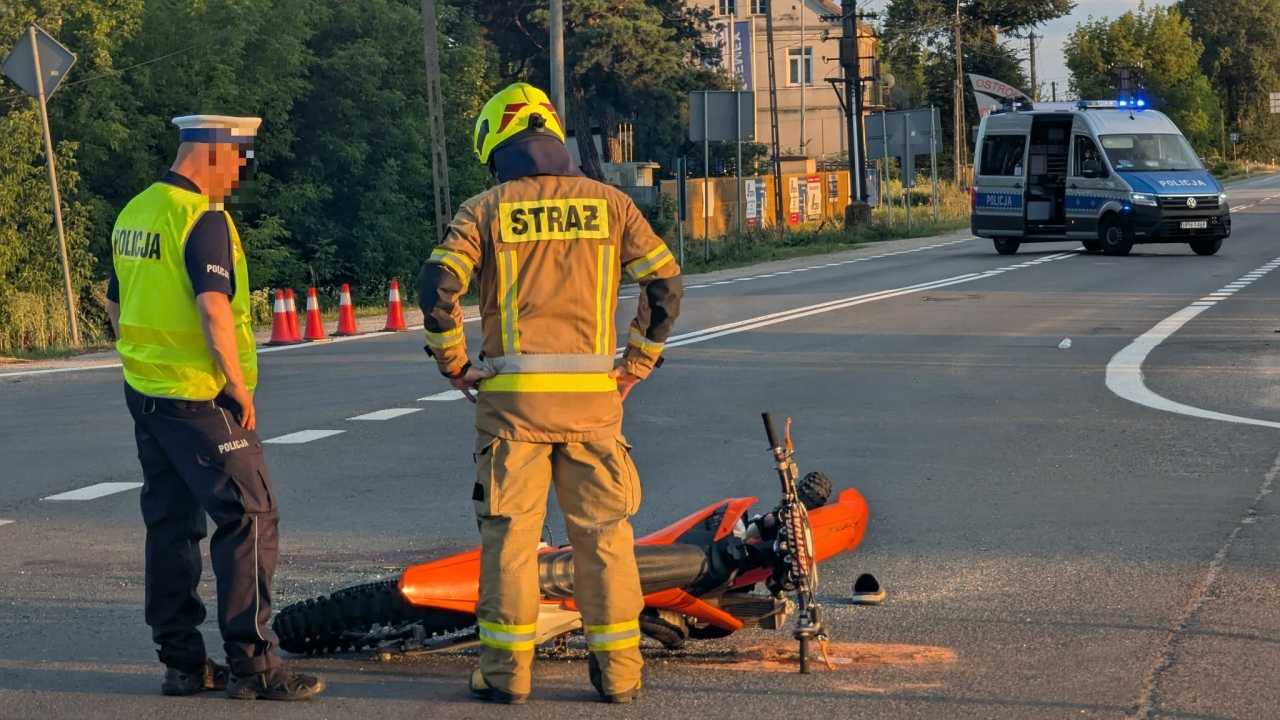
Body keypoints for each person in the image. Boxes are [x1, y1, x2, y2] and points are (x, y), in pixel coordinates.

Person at [416, 82, 683, 705]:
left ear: (497, 144)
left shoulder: (485, 209)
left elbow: (438, 285)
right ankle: (619, 675)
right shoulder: (612, 205)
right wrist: (636, 363)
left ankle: (505, 676)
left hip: (513, 409)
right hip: (594, 405)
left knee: (511, 542)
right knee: (605, 538)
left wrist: (454, 364)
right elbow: (665, 284)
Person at [105, 115, 324, 701]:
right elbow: (212, 307)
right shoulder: (202, 216)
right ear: (211, 153)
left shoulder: (135, 212)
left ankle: (183, 664)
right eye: (238, 162)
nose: (239, 176)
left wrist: (143, 361)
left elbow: (115, 302)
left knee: (171, 525)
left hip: (146, 392)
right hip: (201, 395)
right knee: (249, 516)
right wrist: (237, 384)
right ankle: (255, 667)